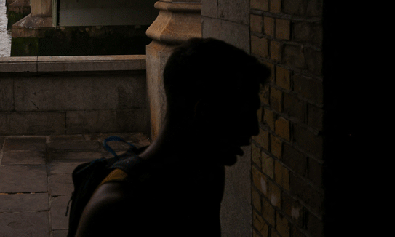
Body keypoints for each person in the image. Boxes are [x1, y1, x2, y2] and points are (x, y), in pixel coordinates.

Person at [75, 37, 270, 237]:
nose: (253, 130)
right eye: (243, 115)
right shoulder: (114, 209)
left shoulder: (208, 174)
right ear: (204, 112)